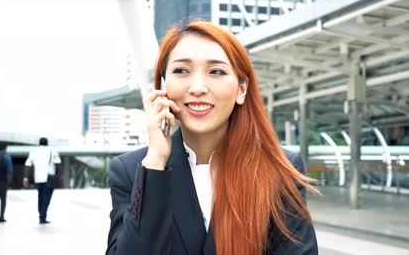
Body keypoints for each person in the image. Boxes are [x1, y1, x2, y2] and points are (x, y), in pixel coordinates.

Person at [106, 20, 318, 255]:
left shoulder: (279, 170)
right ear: (163, 85)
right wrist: (155, 162)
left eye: (216, 71)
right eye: (182, 71)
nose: (198, 87)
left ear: (242, 89)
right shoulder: (131, 171)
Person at [23, 137, 62, 224]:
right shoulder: (52, 150)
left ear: (39, 143)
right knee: (46, 198)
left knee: (40, 197)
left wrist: (25, 178)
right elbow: (58, 163)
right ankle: (42, 216)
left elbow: (27, 165)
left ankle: (41, 214)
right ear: (47, 143)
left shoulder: (34, 151)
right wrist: (61, 176)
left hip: (38, 178)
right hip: (49, 178)